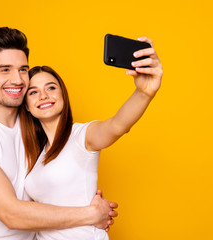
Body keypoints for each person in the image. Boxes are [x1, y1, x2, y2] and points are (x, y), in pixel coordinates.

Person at [0, 27, 117, 240]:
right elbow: (11, 214)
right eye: (4, 70)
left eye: (23, 69)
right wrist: (90, 214)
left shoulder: (32, 120)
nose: (17, 80)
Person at [20, 37, 162, 239]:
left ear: (62, 94)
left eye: (51, 88)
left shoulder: (81, 136)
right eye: (33, 92)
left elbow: (117, 125)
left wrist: (144, 92)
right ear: (26, 105)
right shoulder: (36, 153)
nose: (43, 95)